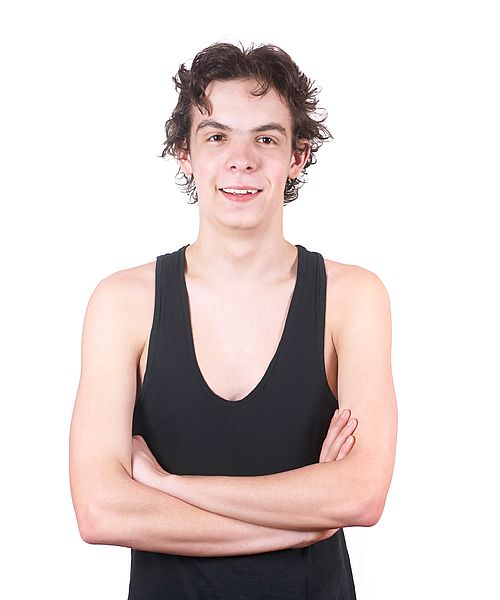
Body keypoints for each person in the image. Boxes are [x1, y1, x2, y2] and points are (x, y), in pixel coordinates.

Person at [68, 42, 398, 599]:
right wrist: (306, 517)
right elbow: (100, 511)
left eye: (265, 138)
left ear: (298, 156)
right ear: (184, 153)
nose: (241, 160)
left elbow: (360, 496)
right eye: (217, 136)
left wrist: (163, 486)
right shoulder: (122, 303)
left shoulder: (353, 297)